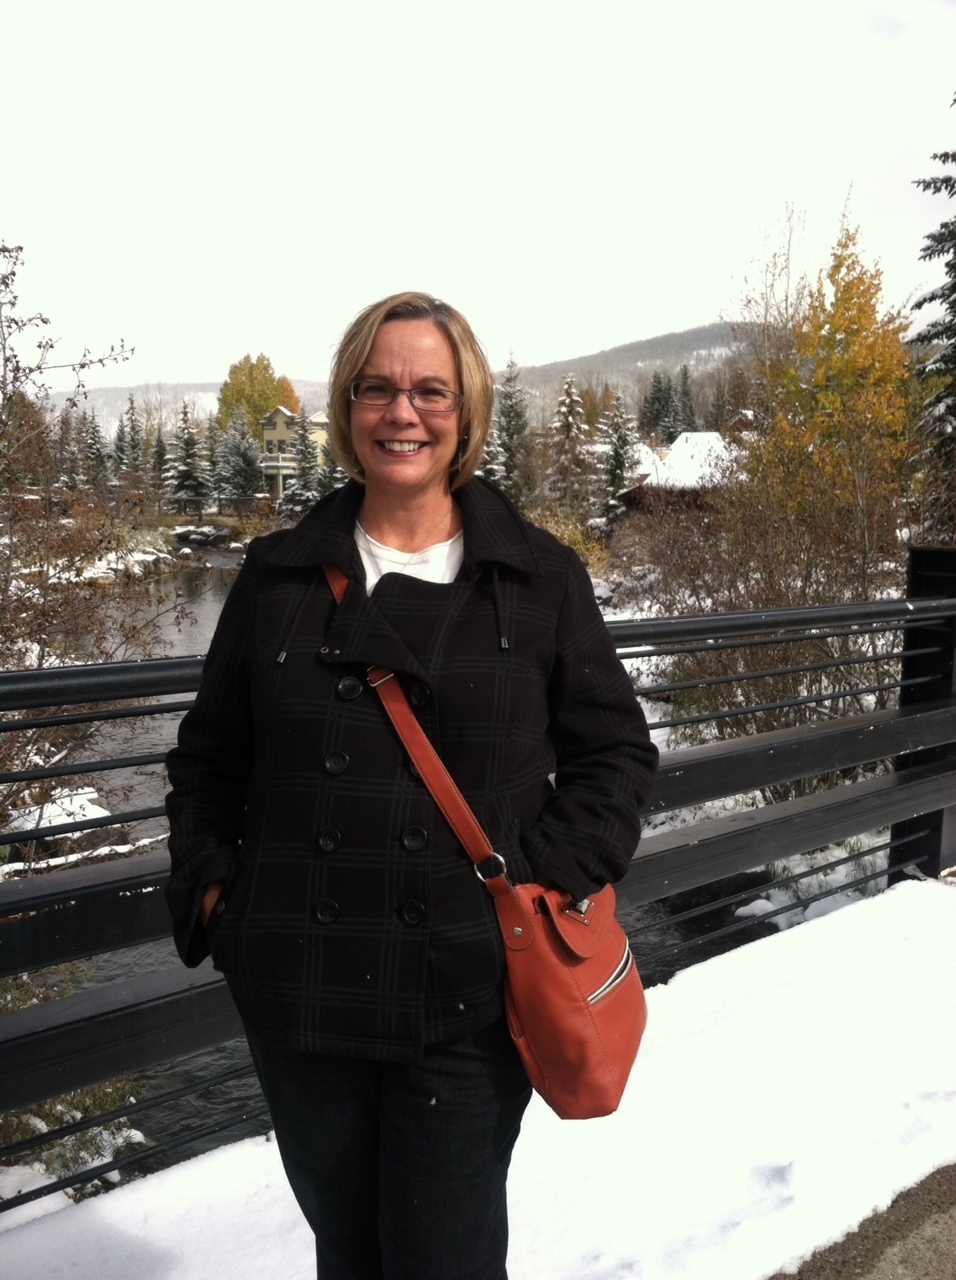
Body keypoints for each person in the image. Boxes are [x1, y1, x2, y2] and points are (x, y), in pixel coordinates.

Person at [165, 292, 658, 1280]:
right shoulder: (277, 577)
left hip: (464, 994)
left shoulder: (536, 578)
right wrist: (219, 896)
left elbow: (614, 755)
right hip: (301, 990)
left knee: (445, 1258)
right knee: (347, 1252)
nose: (403, 412)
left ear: (465, 412)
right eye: (377, 388)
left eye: (430, 390)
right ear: (347, 409)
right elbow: (209, 756)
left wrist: (539, 882)